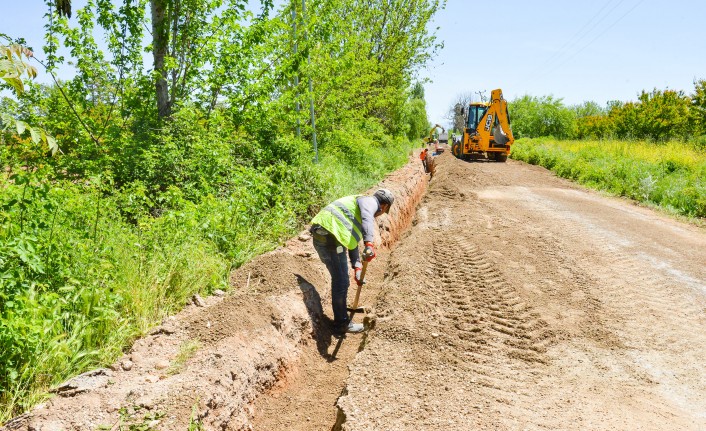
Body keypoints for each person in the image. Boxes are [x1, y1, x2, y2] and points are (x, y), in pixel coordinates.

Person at [309, 189, 395, 334]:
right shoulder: (369, 202)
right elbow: (368, 217)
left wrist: (357, 267)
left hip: (324, 236)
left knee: (340, 278)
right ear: (384, 206)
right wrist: (369, 244)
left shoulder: (356, 210)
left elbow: (352, 241)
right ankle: (342, 324)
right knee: (341, 281)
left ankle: (341, 318)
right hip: (331, 236)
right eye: (383, 211)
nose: (380, 214)